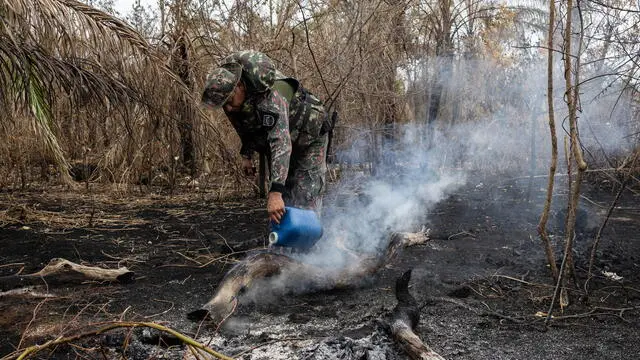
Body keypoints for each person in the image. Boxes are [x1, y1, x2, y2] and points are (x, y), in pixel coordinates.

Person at [201, 50, 330, 224]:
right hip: (285, 140)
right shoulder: (234, 100)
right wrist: (246, 154)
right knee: (285, 201)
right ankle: (284, 247)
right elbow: (243, 125)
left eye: (230, 101)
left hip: (309, 139)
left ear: (239, 86)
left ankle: (313, 247)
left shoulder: (271, 96)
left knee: (305, 198)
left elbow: (281, 143)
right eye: (224, 105)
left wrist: (275, 192)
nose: (229, 108)